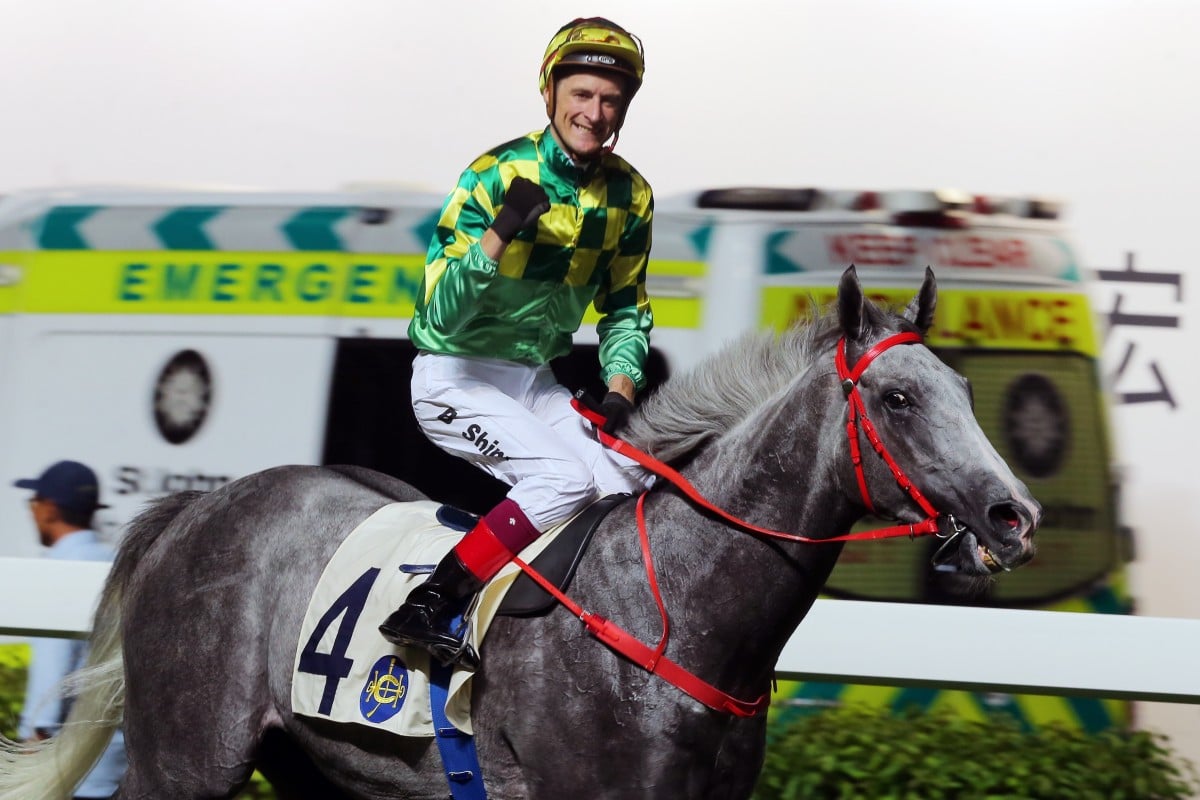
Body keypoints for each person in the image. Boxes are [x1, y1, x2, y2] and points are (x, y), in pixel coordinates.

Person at [379, 17, 656, 667]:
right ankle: (429, 605)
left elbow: (624, 307)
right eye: (582, 94)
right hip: (455, 377)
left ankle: (563, 638)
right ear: (551, 91)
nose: (596, 112)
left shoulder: (630, 195)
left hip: (533, 381)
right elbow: (437, 314)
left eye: (611, 99)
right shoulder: (494, 174)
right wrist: (499, 233)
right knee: (559, 479)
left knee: (628, 481)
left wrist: (620, 391)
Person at [14, 460, 126, 799]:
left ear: (48, 509)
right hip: (116, 764)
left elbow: (50, 685)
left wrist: (30, 761)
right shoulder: (118, 566)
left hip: (66, 771)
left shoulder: (58, 573)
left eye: (33, 503)